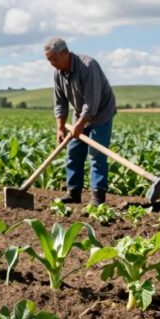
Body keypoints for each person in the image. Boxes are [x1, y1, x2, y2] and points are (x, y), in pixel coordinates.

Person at [44, 37, 117, 205]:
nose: (52, 63)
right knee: (73, 152)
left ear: (65, 53)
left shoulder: (88, 66)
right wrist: (61, 127)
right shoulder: (58, 74)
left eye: (54, 59)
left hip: (101, 113)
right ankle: (73, 192)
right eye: (49, 60)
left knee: (97, 153)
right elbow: (60, 102)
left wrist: (80, 125)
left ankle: (97, 196)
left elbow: (91, 102)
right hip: (80, 114)